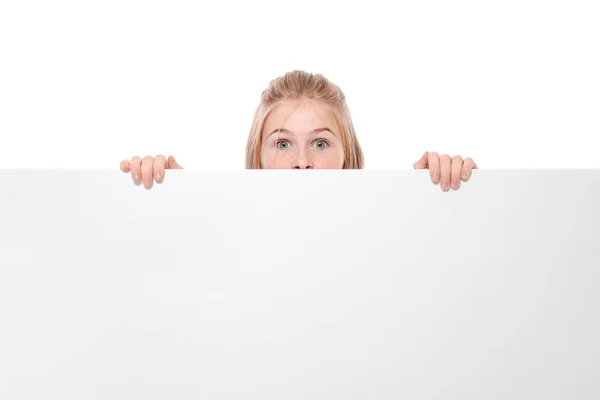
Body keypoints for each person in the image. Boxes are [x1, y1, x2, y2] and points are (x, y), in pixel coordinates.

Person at [120, 70, 478, 191]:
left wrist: (429, 196)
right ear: (256, 157)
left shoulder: (385, 231)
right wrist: (167, 196)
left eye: (320, 142)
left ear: (348, 157)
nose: (302, 162)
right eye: (283, 143)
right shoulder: (225, 233)